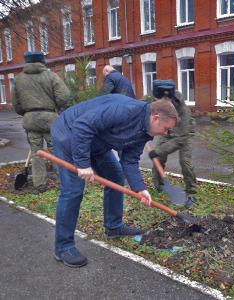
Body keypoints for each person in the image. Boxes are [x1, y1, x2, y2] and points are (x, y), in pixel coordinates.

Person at [50, 94, 178, 267]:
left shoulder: (145, 131)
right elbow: (83, 125)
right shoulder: (124, 110)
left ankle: (113, 226)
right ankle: (63, 247)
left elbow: (130, 160)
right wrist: (82, 163)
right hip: (69, 133)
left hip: (98, 142)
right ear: (155, 118)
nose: (166, 133)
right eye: (166, 129)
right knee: (73, 191)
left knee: (116, 177)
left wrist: (139, 188)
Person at [11, 51, 70, 193]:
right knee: (55, 150)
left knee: (36, 153)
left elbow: (16, 104)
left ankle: (40, 185)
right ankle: (64, 182)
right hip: (50, 119)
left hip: (30, 119)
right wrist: (55, 105)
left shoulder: (19, 79)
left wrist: (26, 112)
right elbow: (64, 96)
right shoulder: (51, 76)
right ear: (42, 61)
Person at [146, 80, 198, 208]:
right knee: (158, 158)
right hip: (167, 130)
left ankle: (191, 193)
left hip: (183, 133)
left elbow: (181, 139)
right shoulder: (151, 98)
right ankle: (159, 186)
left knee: (185, 163)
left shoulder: (181, 106)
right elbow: (139, 111)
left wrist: (157, 151)